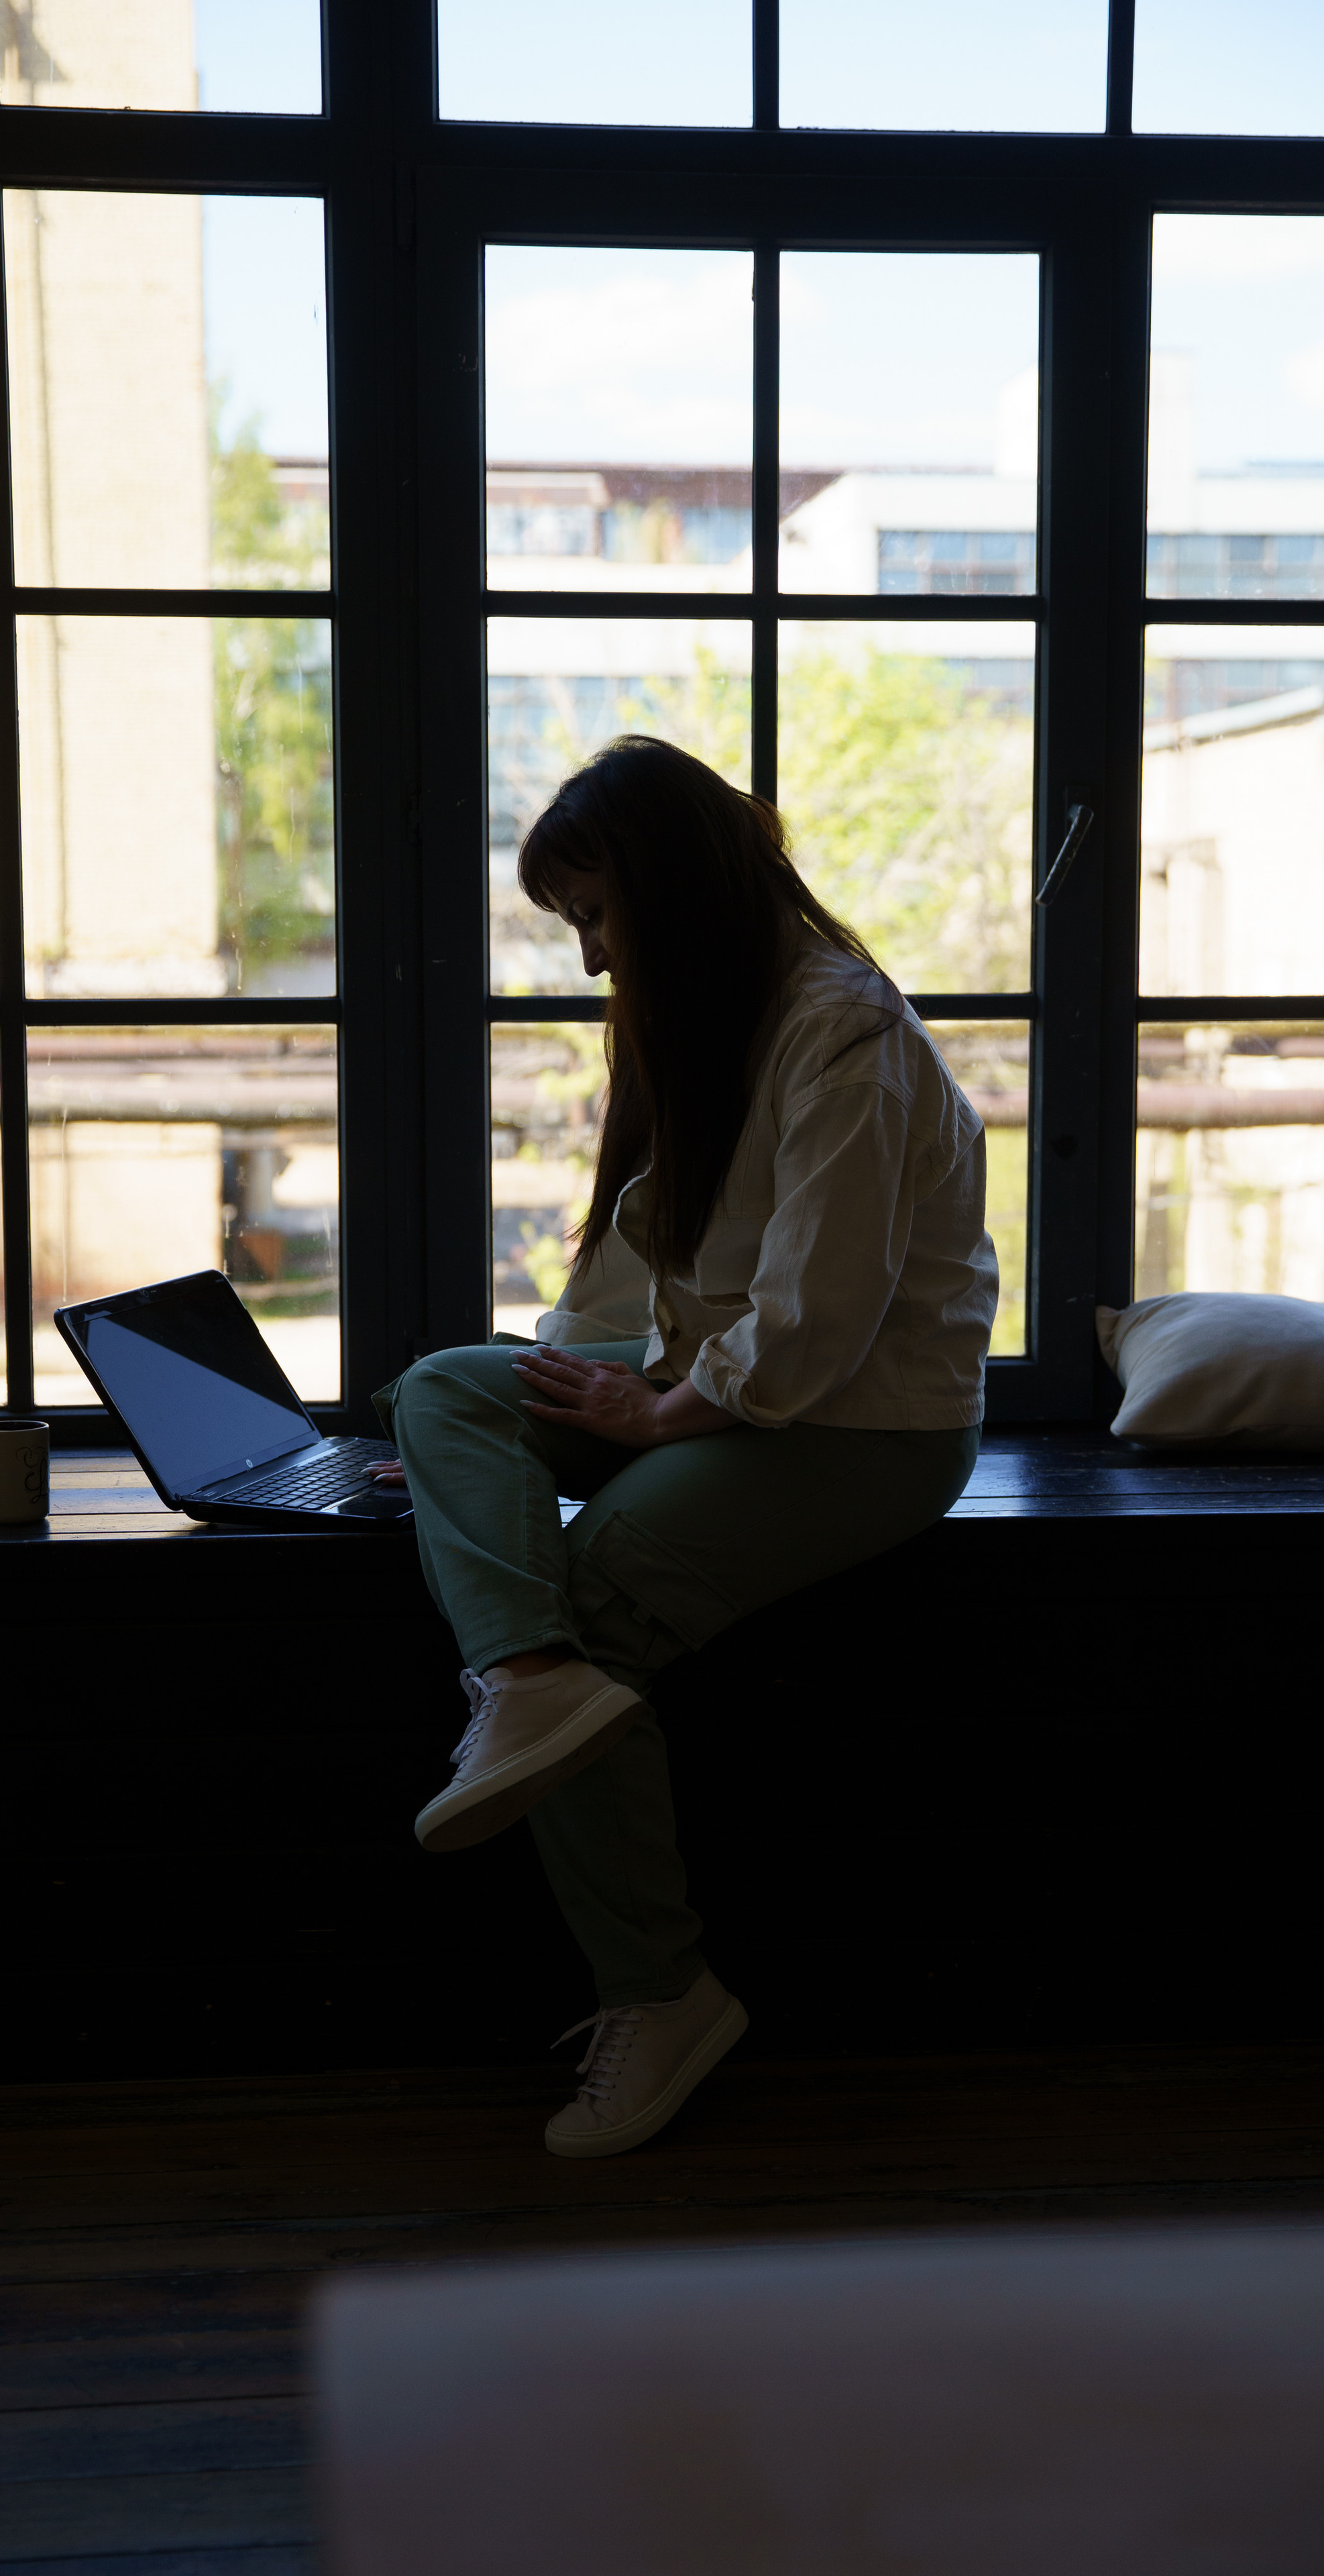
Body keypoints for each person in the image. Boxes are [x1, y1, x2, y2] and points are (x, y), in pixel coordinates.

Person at [371, 737, 998, 2160]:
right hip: (711, 1385)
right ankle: (522, 1681)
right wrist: (494, 1473)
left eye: (596, 916)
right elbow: (624, 1283)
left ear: (670, 889)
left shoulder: (845, 1034)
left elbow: (815, 1317)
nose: (591, 957)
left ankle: (659, 1993)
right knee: (443, 1392)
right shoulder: (705, 1012)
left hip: (861, 1427)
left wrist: (656, 1416)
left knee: (593, 1595)